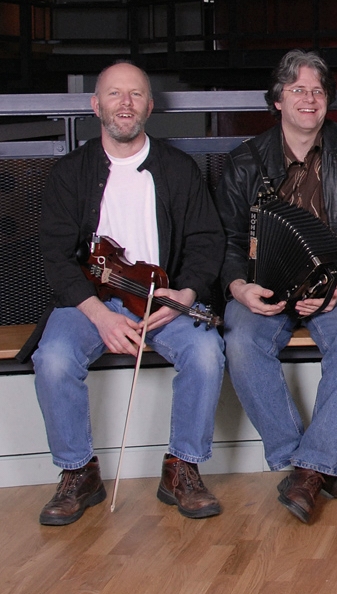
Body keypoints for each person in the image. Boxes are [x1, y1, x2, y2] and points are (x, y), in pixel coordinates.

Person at [21, 61, 226, 525]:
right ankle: (78, 472)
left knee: (206, 353)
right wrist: (99, 314)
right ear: (96, 106)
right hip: (90, 301)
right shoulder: (70, 172)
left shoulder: (179, 169)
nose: (125, 103)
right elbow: (55, 255)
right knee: (53, 359)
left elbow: (207, 241)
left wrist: (187, 294)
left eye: (135, 94)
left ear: (150, 106)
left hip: (161, 299)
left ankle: (182, 469)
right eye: (115, 94)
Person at [216, 50, 337, 524]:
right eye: (298, 89)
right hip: (265, 285)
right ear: (277, 100)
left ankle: (307, 470)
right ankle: (313, 466)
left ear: (328, 99)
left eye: (317, 90)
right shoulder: (244, 161)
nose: (309, 99)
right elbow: (228, 238)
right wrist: (238, 286)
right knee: (241, 339)